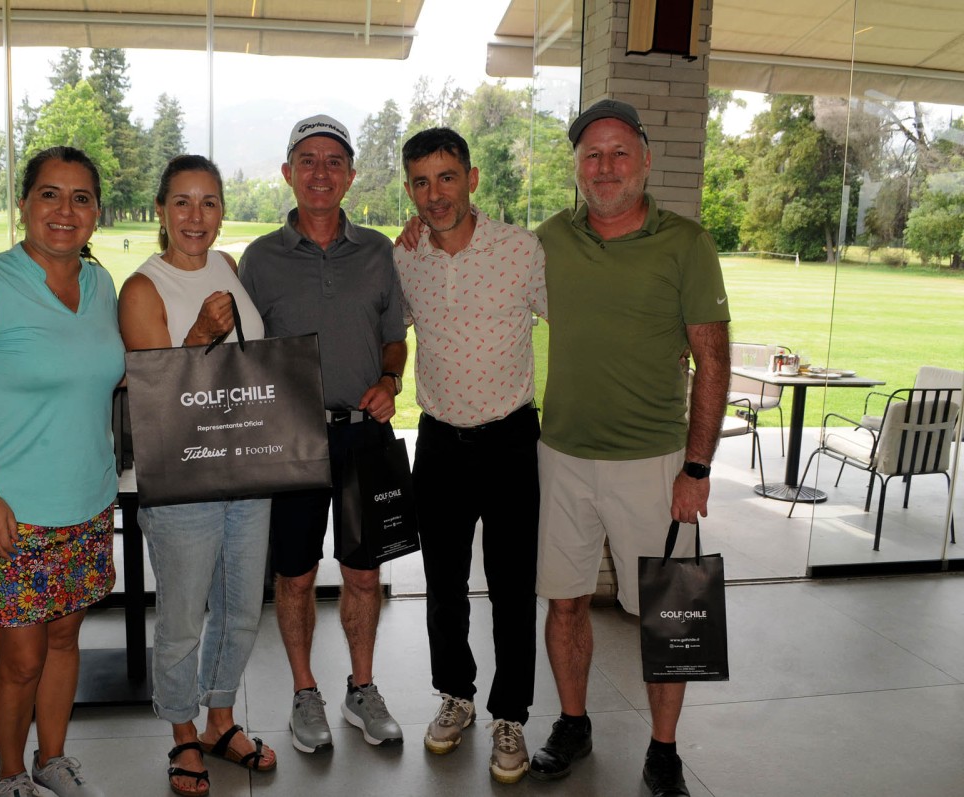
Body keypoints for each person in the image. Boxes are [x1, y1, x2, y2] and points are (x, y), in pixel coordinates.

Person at [528, 99, 731, 797]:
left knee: (671, 612)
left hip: (655, 462)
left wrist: (697, 466)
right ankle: (575, 721)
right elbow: (478, 262)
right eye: (592, 154)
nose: (605, 166)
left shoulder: (687, 244)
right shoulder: (549, 237)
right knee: (564, 602)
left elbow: (713, 359)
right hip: (562, 456)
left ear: (645, 160)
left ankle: (665, 748)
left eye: (619, 152)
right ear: (577, 168)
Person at [0, 146, 123, 797]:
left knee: (65, 640)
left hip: (87, 504)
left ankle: (53, 758)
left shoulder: (101, 286)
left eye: (81, 198)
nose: (65, 211)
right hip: (8, 512)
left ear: (96, 211)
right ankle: (11, 773)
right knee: (21, 659)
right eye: (50, 194)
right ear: (24, 203)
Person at [238, 114, 409, 754]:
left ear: (351, 176)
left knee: (363, 574)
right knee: (296, 575)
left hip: (364, 436)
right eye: (307, 160)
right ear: (288, 173)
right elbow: (240, 353)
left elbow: (395, 335)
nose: (320, 172)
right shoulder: (259, 259)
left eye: (333, 161)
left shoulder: (378, 251)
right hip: (293, 440)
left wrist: (391, 380)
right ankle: (305, 691)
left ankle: (361, 689)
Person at [118, 155, 277, 797]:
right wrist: (198, 334)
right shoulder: (142, 288)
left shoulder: (228, 268)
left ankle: (219, 720)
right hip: (182, 475)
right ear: (161, 210)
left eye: (209, 202)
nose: (196, 216)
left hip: (246, 464)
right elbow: (155, 396)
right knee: (183, 615)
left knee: (240, 607)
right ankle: (182, 730)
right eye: (182, 202)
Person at [393, 128, 546, 784]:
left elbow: (579, 320)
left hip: (511, 439)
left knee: (512, 588)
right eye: (422, 182)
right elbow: (386, 329)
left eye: (447, 177)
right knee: (444, 585)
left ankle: (509, 713)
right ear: (409, 190)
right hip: (439, 443)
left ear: (472, 178)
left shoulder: (521, 250)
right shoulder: (406, 258)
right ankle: (456, 694)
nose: (435, 194)